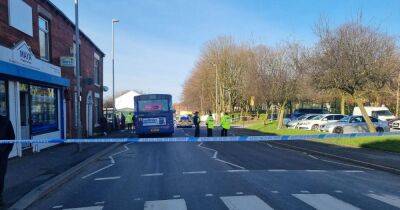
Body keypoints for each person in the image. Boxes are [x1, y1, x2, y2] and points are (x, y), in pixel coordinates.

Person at [0, 115, 15, 207]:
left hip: (1, 155)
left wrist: (6, 152)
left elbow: (12, 137)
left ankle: (0, 198)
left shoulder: (5, 121)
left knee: (0, 176)